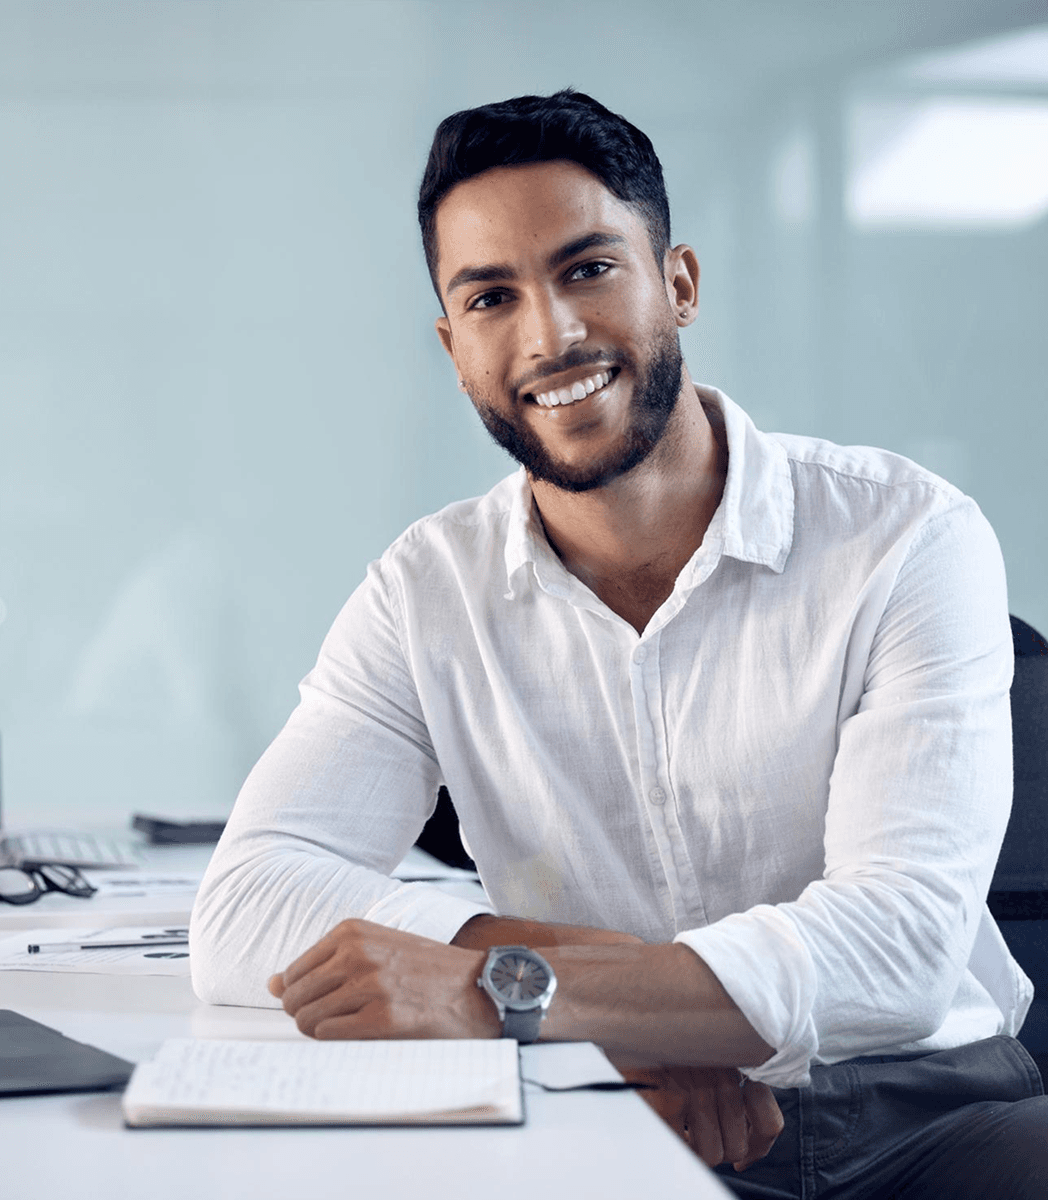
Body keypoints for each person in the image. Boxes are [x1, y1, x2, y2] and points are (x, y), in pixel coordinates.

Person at [190, 90, 1047, 1196]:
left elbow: (900, 951)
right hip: (612, 1106)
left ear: (677, 284)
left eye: (588, 269)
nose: (549, 335)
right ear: (454, 347)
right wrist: (625, 1014)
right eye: (491, 297)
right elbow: (247, 908)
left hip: (927, 1113)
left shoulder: (906, 536)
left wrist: (498, 993)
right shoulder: (423, 591)